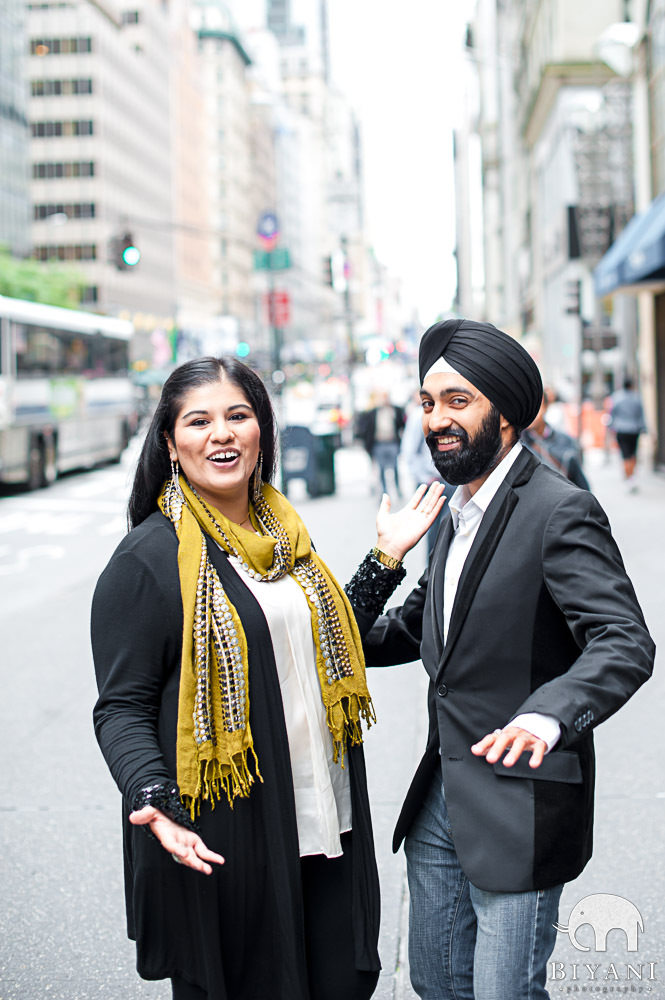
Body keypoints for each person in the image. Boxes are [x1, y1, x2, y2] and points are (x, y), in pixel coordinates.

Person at [91, 356, 444, 1000]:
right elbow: (120, 707)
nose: (221, 434)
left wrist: (388, 560)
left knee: (336, 982)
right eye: (198, 421)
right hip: (228, 832)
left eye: (238, 416)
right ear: (171, 444)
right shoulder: (149, 559)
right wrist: (154, 800)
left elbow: (322, 641)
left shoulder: (286, 538)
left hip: (324, 813)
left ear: (263, 431)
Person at [346, 319, 655, 1000]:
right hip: (439, 802)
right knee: (432, 980)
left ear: (506, 412)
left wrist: (546, 718)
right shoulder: (451, 518)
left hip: (521, 801)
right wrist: (383, 560)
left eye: (458, 401)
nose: (436, 420)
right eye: (428, 404)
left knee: (501, 993)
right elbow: (372, 641)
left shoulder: (558, 512)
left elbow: (623, 639)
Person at [400, 393, 455, 556]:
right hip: (434, 481)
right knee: (435, 533)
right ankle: (432, 574)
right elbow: (409, 451)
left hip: (455, 480)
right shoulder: (419, 416)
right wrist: (424, 478)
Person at [521, 390, 590, 490]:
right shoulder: (517, 444)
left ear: (546, 406)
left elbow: (579, 479)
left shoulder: (566, 441)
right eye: (526, 407)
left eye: (536, 407)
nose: (530, 413)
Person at [356, 390, 405, 496]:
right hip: (379, 444)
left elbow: (401, 424)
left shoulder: (395, 410)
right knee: (381, 468)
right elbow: (365, 428)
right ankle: (384, 491)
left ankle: (397, 489)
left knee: (395, 467)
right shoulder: (373, 412)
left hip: (392, 442)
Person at [608, 376, 647, 491]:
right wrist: (644, 428)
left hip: (621, 430)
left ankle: (628, 476)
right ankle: (631, 477)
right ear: (631, 385)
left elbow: (612, 414)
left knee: (625, 454)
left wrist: (611, 427)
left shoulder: (616, 398)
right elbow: (641, 415)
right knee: (633, 453)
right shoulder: (637, 398)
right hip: (634, 430)